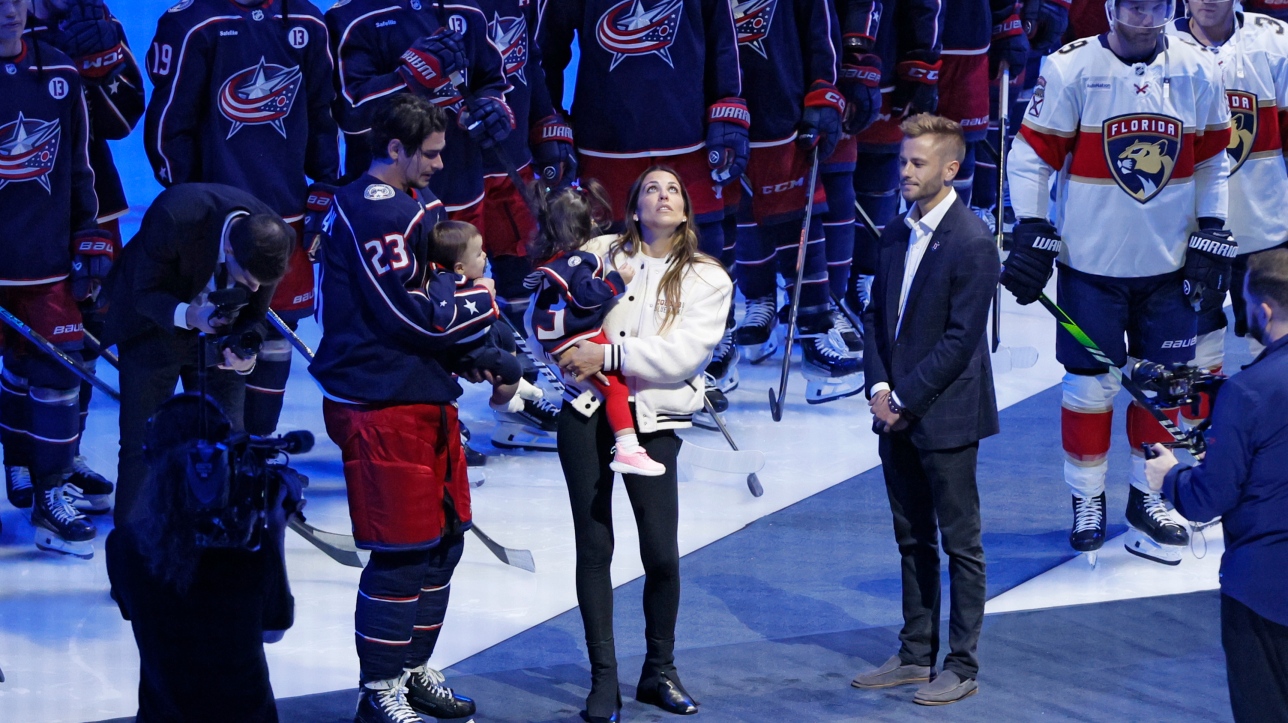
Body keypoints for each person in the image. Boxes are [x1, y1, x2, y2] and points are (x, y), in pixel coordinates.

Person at [1002, 0, 1232, 565]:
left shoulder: (1198, 68)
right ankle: (1086, 498)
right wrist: (1031, 226)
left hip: (1170, 266)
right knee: (1087, 390)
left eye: (1157, 5)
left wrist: (1212, 228)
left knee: (1167, 388)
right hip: (1090, 267)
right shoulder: (1069, 68)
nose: (1145, 16)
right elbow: (1031, 155)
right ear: (1109, 7)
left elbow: (1212, 159)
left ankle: (1147, 496)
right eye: (1133, 5)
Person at [310, 94, 488, 723]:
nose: (441, 164)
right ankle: (378, 689)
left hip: (419, 394)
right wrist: (483, 307)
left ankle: (411, 670)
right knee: (402, 551)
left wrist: (466, 351)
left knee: (444, 544)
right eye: (431, 153)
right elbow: (409, 315)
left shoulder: (410, 204)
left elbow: (430, 305)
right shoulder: (373, 211)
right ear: (396, 150)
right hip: (378, 404)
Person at [551, 167, 731, 722]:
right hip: (585, 416)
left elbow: (682, 355)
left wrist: (605, 358)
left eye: (673, 189)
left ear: (686, 210)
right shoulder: (600, 251)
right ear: (633, 207)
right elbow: (556, 317)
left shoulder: (708, 278)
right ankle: (603, 680)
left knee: (660, 553)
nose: (662, 195)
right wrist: (565, 365)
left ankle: (659, 671)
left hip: (653, 424)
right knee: (594, 548)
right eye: (651, 188)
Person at [853, 114, 998, 706]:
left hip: (947, 416)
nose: (905, 171)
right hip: (896, 413)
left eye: (917, 163)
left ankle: (960, 664)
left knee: (960, 544)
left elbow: (960, 341)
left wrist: (904, 399)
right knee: (912, 538)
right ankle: (916, 654)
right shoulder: (894, 233)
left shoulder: (972, 240)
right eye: (903, 161)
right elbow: (873, 320)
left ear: (950, 169)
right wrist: (879, 390)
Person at [145, 0, 340, 438]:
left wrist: (325, 182)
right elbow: (168, 126)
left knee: (276, 327)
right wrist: (190, 202)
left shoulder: (307, 20)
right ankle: (218, 453)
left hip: (285, 214)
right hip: (216, 224)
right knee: (218, 327)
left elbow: (322, 113)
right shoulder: (191, 24)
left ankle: (259, 448)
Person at [537, 0, 747, 395]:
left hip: (688, 134)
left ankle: (710, 348)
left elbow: (724, 39)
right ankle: (601, 365)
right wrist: (548, 117)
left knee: (702, 248)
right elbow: (545, 49)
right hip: (605, 139)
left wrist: (728, 103)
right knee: (604, 259)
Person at [1144, 248, 1288, 723]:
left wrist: (1171, 478)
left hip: (1265, 591)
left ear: (1263, 312)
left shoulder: (1249, 392)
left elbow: (1209, 498)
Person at [101, 183, 294, 526]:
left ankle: (225, 544)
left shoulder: (275, 239)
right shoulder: (175, 216)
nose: (252, 289)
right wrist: (192, 316)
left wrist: (245, 352)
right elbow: (144, 294)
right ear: (231, 251)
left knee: (229, 443)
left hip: (216, 336)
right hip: (151, 329)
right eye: (248, 280)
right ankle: (132, 553)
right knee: (142, 445)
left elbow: (255, 316)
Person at [106, 393, 296, 723]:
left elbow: (132, 611)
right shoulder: (249, 548)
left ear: (152, 456)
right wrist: (275, 530)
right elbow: (273, 630)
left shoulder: (124, 545)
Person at [23, 0, 144, 512]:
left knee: (86, 331)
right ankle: (20, 455)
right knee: (20, 340)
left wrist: (104, 69)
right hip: (18, 207)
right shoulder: (8, 20)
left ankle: (64, 455)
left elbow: (123, 121)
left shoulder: (95, 16)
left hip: (90, 201)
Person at [0, 0, 111, 558]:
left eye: (16, 0)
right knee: (24, 372)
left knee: (54, 372)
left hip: (43, 265)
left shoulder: (60, 72)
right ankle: (17, 461)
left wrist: (87, 236)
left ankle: (48, 490)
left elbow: (78, 166)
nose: (8, 12)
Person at [728, 0, 867, 403]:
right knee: (732, 222)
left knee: (796, 218)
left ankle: (814, 336)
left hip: (782, 104)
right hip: (716, 109)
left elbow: (820, 29)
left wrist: (824, 91)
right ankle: (743, 321)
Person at [1167, 1, 1288, 374]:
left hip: (1267, 229)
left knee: (1276, 355)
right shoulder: (1162, 49)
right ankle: (1201, 435)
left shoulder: (1275, 42)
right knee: (1195, 360)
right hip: (1188, 236)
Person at [528, 181, 665, 476]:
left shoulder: (553, 260)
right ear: (584, 226)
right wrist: (617, 280)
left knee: (609, 387)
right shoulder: (582, 260)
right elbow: (586, 295)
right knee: (615, 388)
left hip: (557, 339)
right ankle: (628, 447)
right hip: (576, 339)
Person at [427, 219, 541, 416]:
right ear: (460, 268)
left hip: (482, 334)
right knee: (512, 367)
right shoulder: (444, 283)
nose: (485, 255)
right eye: (479, 254)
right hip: (468, 350)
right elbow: (445, 312)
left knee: (505, 334)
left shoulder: (465, 276)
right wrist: (482, 291)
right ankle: (501, 401)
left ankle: (514, 384)